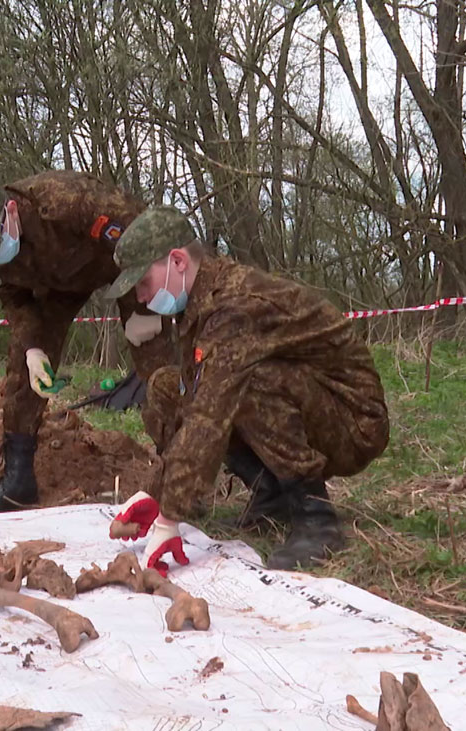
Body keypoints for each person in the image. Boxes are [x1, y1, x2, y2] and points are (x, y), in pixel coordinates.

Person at [103, 206, 390, 572]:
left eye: (143, 282)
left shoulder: (234, 307)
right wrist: (156, 495)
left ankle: (316, 516)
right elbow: (194, 396)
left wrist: (169, 518)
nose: (141, 297)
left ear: (177, 261)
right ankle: (270, 492)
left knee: (245, 381)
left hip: (353, 422)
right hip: (315, 405)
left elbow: (209, 414)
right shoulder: (200, 304)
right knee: (166, 386)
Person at [0, 169, 174, 512]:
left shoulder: (66, 201)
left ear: (10, 210)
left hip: (119, 267)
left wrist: (148, 307)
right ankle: (17, 482)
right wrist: (34, 348)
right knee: (23, 373)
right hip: (55, 291)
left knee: (157, 366)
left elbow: (142, 233)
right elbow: (16, 301)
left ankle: (180, 478)